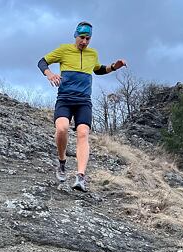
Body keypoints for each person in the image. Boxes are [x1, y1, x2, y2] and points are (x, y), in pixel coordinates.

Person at [38, 21, 127, 192]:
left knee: (83, 133)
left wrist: (114, 67)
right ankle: (62, 162)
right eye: (82, 37)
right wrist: (49, 74)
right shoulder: (64, 50)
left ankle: (80, 176)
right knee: (62, 129)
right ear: (75, 35)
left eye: (88, 38)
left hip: (83, 101)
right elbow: (42, 61)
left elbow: (98, 69)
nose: (84, 42)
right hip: (65, 99)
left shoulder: (92, 53)